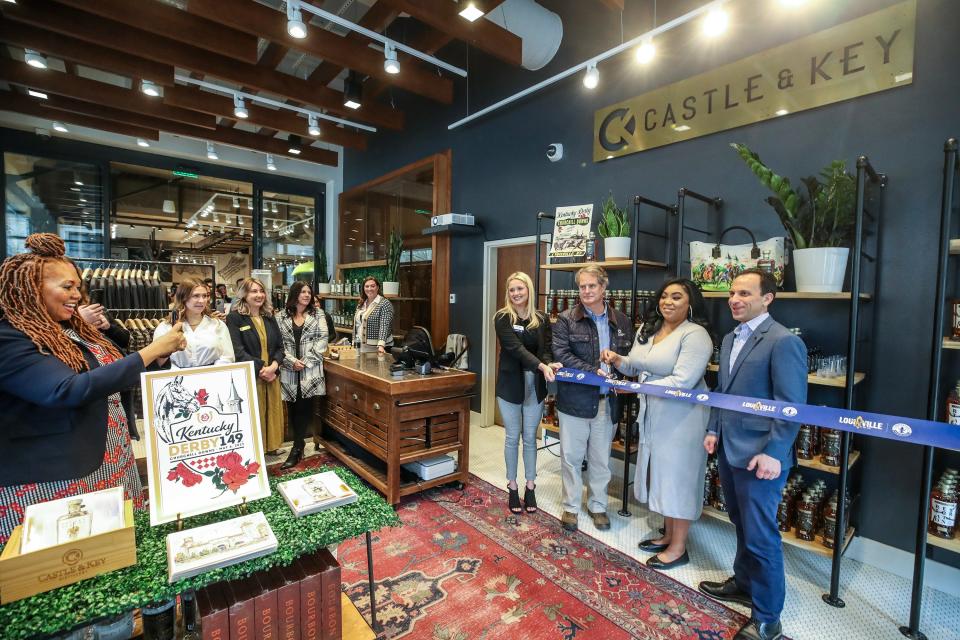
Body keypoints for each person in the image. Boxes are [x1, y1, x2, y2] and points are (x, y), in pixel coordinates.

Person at [0, 233, 185, 542]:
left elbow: (112, 372)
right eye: (67, 287)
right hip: (56, 476)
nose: (76, 294)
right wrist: (150, 350)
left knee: (117, 547)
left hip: (109, 457)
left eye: (78, 286)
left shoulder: (70, 330)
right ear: (31, 288)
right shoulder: (11, 337)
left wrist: (158, 358)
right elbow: (66, 390)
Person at [698, 268, 807, 640]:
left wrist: (775, 452)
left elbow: (792, 406)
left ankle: (768, 618)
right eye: (732, 292)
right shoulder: (729, 338)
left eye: (745, 293)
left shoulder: (782, 341)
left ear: (767, 298)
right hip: (730, 448)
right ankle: (744, 584)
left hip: (762, 456)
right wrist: (714, 428)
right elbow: (723, 390)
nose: (735, 299)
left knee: (762, 536)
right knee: (740, 524)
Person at [602, 278, 713, 569]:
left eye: (677, 297)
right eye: (664, 296)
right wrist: (617, 360)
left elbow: (683, 381)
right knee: (661, 474)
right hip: (654, 413)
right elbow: (637, 366)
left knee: (679, 477)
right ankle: (667, 535)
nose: (668, 302)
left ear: (690, 304)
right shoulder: (648, 329)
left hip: (684, 417)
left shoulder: (696, 334)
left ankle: (678, 548)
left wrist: (637, 388)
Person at [552, 263, 633, 533]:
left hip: (607, 403)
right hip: (574, 400)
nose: (586, 291)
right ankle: (571, 507)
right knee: (572, 458)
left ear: (603, 286)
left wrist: (624, 380)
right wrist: (593, 372)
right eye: (582, 286)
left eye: (592, 285)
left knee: (601, 459)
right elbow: (562, 354)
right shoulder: (566, 319)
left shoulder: (621, 320)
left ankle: (597, 506)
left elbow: (628, 358)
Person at [493, 271, 559, 515]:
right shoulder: (502, 318)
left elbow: (547, 349)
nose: (516, 293)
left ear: (528, 290)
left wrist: (549, 363)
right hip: (510, 386)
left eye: (520, 289)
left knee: (530, 438)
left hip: (535, 386)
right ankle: (512, 486)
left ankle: (530, 486)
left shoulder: (540, 318)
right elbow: (515, 348)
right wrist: (541, 366)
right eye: (512, 290)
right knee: (512, 438)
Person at [227, 278, 286, 454]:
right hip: (252, 375)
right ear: (244, 294)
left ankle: (272, 446)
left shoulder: (269, 317)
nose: (259, 295)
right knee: (254, 413)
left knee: (272, 411)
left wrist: (274, 366)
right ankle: (255, 449)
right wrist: (262, 369)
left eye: (261, 291)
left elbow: (280, 347)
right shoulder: (235, 318)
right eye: (254, 291)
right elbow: (237, 352)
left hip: (272, 375)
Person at [277, 282, 328, 470]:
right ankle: (298, 445)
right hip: (289, 370)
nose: (306, 295)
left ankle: (297, 447)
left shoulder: (318, 314)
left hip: (310, 369)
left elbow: (322, 341)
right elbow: (278, 343)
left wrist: (304, 362)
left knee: (305, 408)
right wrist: (291, 361)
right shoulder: (281, 316)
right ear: (294, 294)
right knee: (292, 409)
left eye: (309, 292)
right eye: (302, 291)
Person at [153, 279, 235, 369]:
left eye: (205, 296)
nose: (202, 300)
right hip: (176, 379)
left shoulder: (217, 325)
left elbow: (227, 357)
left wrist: (212, 374)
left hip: (212, 378)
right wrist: (181, 376)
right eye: (196, 296)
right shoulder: (165, 328)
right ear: (183, 297)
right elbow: (158, 359)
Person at [353, 275, 394, 355]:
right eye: (366, 286)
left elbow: (384, 325)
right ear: (363, 288)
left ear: (378, 287)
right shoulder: (362, 303)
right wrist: (354, 341)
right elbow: (357, 324)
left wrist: (381, 345)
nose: (369, 289)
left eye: (372, 286)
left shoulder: (385, 303)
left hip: (377, 348)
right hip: (361, 346)